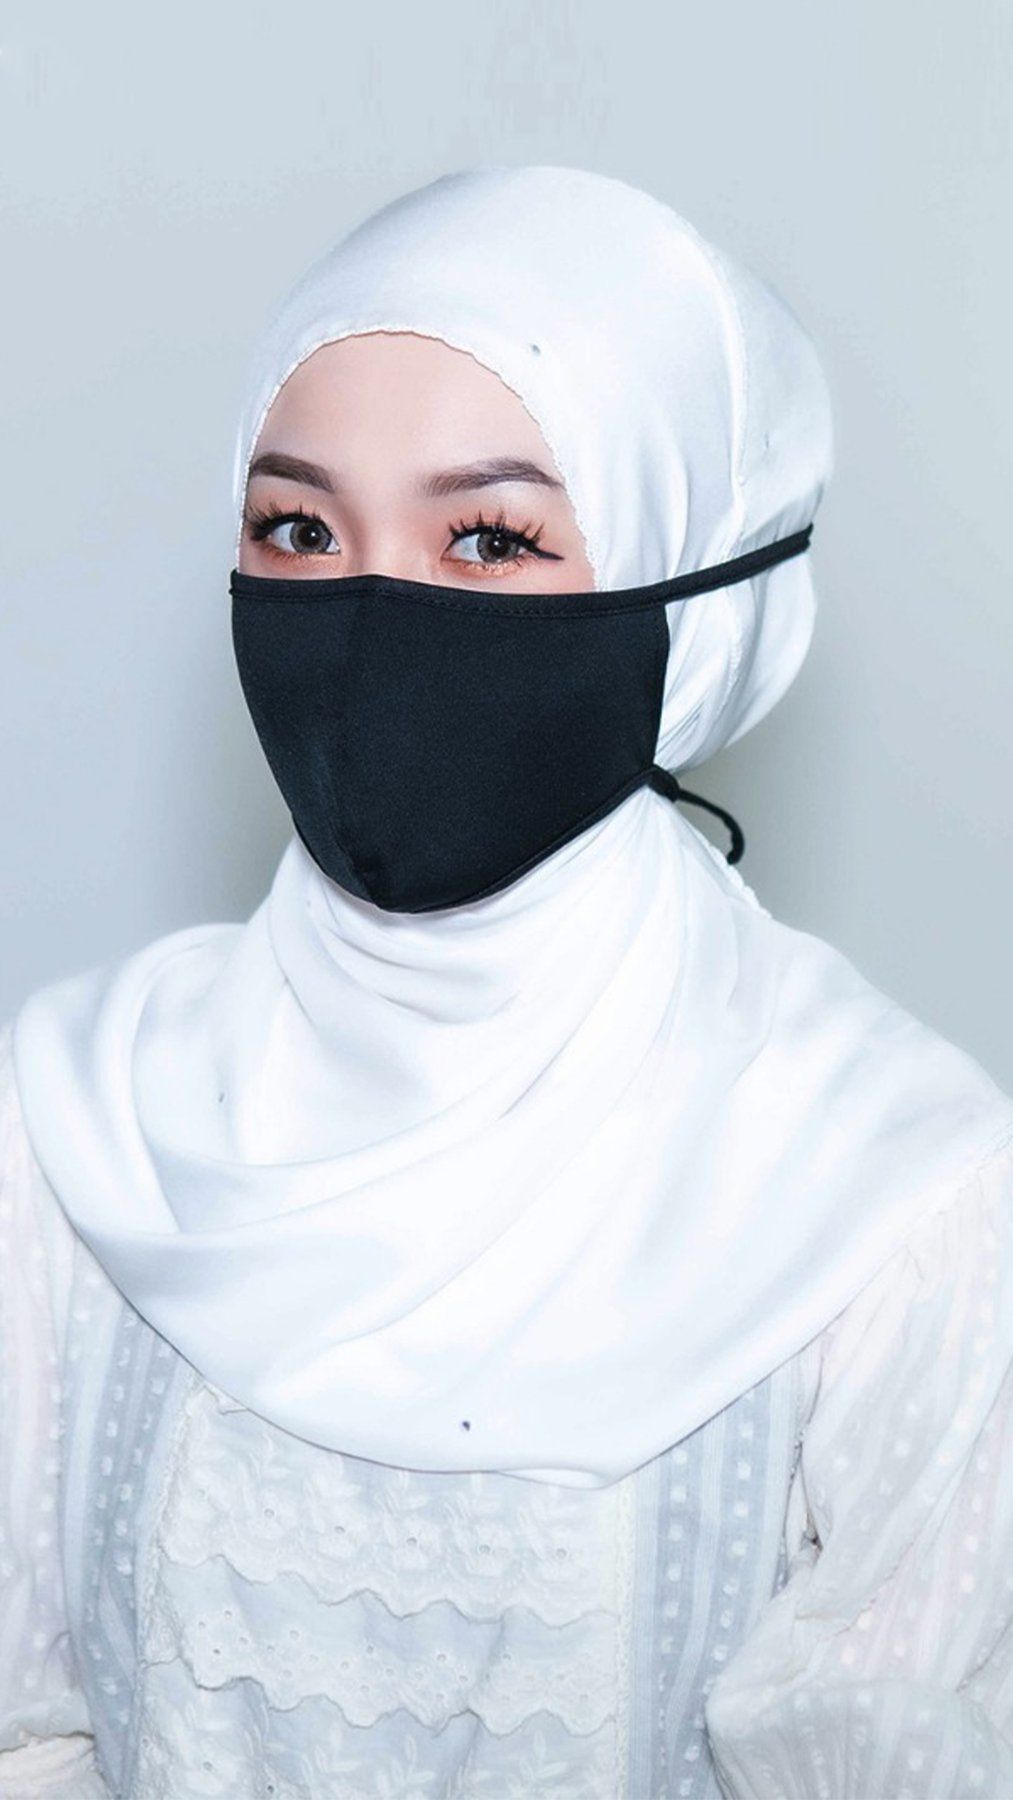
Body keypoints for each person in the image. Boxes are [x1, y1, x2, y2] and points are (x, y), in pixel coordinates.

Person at [3, 163, 1013, 1800]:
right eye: (296, 529)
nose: (365, 617)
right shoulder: (73, 1124)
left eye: (488, 539)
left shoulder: (887, 1197)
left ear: (700, 607)